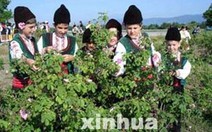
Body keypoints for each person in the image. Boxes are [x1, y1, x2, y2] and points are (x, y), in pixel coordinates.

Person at [113, 5, 161, 76]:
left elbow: (152, 50)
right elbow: (119, 58)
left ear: (140, 26)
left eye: (135, 28)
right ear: (125, 27)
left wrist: (156, 57)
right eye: (129, 28)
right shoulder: (123, 42)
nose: (132, 31)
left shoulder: (145, 37)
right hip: (134, 79)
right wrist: (117, 68)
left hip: (150, 76)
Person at [37, 4, 78, 74]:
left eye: (66, 28)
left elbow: (78, 58)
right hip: (48, 78)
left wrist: (72, 58)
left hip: (68, 80)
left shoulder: (72, 41)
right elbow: (36, 55)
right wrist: (45, 50)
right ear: (54, 25)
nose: (63, 31)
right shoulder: (45, 38)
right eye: (60, 28)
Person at [164, 27, 192, 131]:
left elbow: (185, 72)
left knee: (177, 112)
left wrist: (176, 72)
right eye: (169, 45)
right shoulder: (164, 58)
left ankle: (176, 129)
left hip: (178, 89)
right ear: (166, 44)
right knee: (164, 110)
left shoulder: (183, 59)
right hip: (165, 89)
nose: (171, 47)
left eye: (174, 45)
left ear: (179, 44)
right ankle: (165, 127)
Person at [9, 6, 38, 89]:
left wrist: (46, 50)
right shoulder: (15, 42)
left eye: (34, 27)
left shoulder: (32, 40)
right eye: (31, 27)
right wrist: (27, 60)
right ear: (21, 26)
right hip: (21, 83)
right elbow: (19, 56)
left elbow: (37, 54)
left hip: (33, 81)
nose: (34, 30)